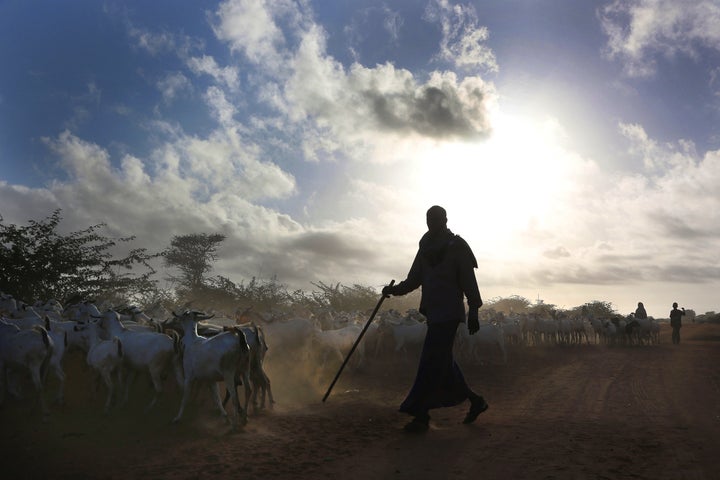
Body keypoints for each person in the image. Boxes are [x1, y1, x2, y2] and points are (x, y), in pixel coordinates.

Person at [382, 205, 488, 433]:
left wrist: (474, 311)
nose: (431, 222)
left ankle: (420, 413)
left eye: (436, 218)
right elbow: (413, 280)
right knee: (443, 362)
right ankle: (476, 401)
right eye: (428, 219)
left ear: (445, 220)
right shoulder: (425, 249)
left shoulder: (457, 246)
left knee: (431, 360)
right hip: (434, 313)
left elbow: (469, 281)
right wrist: (393, 291)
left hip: (450, 313)